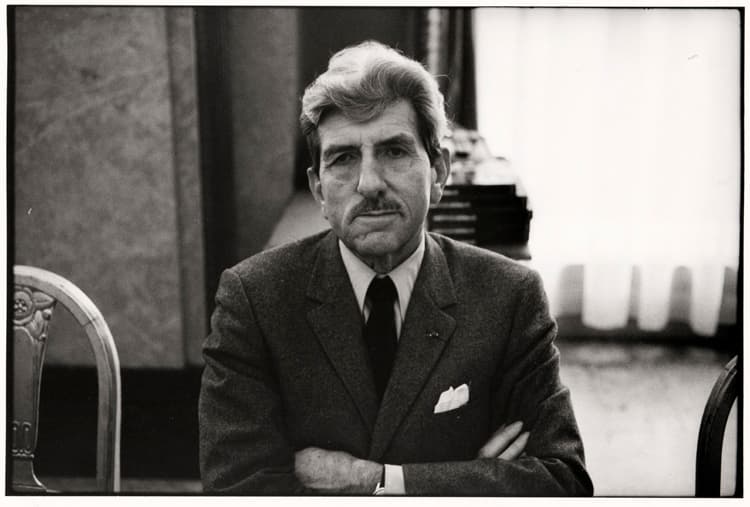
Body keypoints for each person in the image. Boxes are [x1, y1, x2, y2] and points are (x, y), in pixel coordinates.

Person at [198, 40, 593, 496]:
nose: (369, 184)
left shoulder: (510, 296)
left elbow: (562, 482)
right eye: (343, 159)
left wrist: (378, 481)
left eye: (394, 151)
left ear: (438, 171)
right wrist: (470, 480)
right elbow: (236, 492)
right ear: (319, 189)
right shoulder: (254, 298)